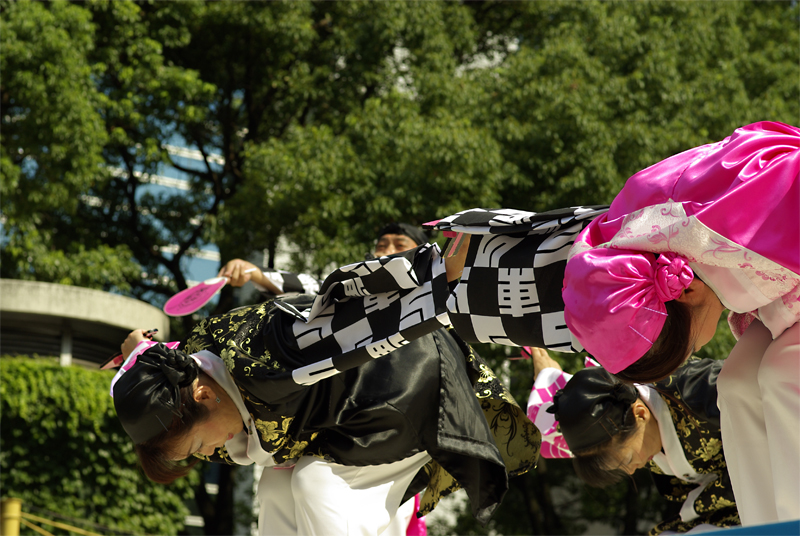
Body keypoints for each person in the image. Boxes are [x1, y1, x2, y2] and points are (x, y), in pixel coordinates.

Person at [112, 241, 540, 536]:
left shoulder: (264, 354)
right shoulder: (186, 374)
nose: (209, 455)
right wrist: (137, 350)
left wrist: (437, 279)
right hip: (345, 421)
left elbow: (343, 301)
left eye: (196, 448)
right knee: (277, 485)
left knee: (317, 484)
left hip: (403, 386)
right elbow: (158, 358)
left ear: (204, 396)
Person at [558, 121, 800, 524]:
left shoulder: (715, 231)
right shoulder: (640, 247)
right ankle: (772, 527)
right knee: (736, 381)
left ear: (683, 292)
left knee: (783, 370)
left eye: (687, 347)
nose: (698, 351)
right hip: (772, 269)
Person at [214, 222, 433, 535]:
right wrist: (254, 273)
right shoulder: (349, 293)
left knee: (319, 485)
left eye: (399, 244)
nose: (387, 250)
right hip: (332, 418)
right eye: (382, 243)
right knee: (274, 488)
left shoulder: (433, 295)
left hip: (394, 422)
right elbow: (309, 287)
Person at [525, 347, 739, 535]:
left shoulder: (700, 389)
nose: (629, 471)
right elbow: (563, 429)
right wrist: (546, 375)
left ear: (640, 414)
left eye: (626, 459)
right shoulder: (608, 429)